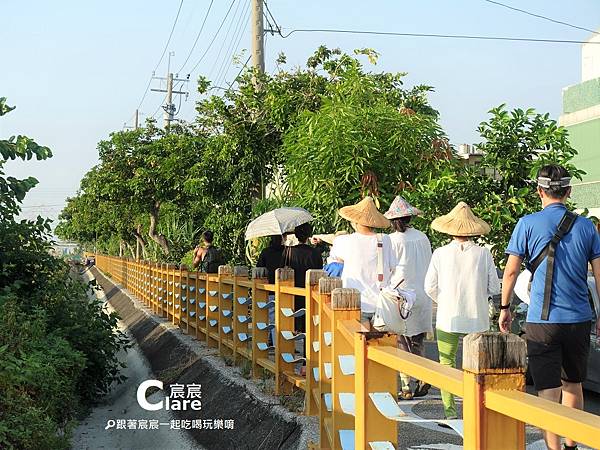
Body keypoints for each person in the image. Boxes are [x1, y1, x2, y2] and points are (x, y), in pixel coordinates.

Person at [500, 164, 600, 450]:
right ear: (568, 192)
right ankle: (571, 446)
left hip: (541, 322)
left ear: (539, 191)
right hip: (579, 318)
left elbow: (510, 272)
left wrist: (505, 307)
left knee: (547, 389)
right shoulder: (586, 227)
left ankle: (553, 447)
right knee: (573, 384)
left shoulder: (527, 224)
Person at [424, 201, 500, 423]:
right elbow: (494, 288)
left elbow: (429, 286)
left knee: (446, 363)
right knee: (475, 367)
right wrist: (478, 295)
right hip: (477, 319)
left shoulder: (440, 253)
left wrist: (445, 300)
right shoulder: (483, 254)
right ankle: (474, 410)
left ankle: (450, 413)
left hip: (448, 317)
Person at [385, 196, 433, 400]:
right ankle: (423, 376)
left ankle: (406, 385)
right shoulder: (422, 237)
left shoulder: (391, 240)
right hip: (423, 293)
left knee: (402, 341)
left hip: (402, 295)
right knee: (418, 340)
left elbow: (387, 269)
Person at [331, 196, 397, 326]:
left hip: (353, 302)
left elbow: (336, 259)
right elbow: (392, 266)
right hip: (380, 304)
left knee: (357, 343)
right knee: (379, 344)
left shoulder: (343, 241)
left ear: (355, 221)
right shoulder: (385, 239)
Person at [283, 222, 323, 333]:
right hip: (311, 291)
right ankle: (307, 348)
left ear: (296, 235)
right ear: (309, 235)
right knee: (309, 323)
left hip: (293, 291)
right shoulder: (315, 253)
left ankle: (290, 347)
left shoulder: (289, 251)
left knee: (292, 320)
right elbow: (320, 270)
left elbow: (283, 269)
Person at [256, 235, 284, 345]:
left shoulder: (265, 252)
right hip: (285, 288)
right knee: (283, 318)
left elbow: (259, 268)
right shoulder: (286, 251)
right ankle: (280, 343)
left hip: (269, 287)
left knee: (271, 316)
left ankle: (273, 342)